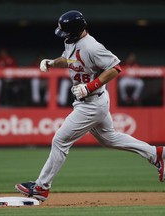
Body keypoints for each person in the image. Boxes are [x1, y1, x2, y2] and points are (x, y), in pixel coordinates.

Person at [15, 10, 163, 202]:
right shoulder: (72, 42)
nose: (64, 36)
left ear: (75, 31)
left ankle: (41, 187)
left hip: (91, 103)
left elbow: (115, 68)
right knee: (109, 139)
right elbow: (68, 60)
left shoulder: (92, 47)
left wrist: (90, 87)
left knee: (60, 141)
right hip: (92, 101)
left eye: (66, 32)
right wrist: (52, 63)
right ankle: (157, 154)